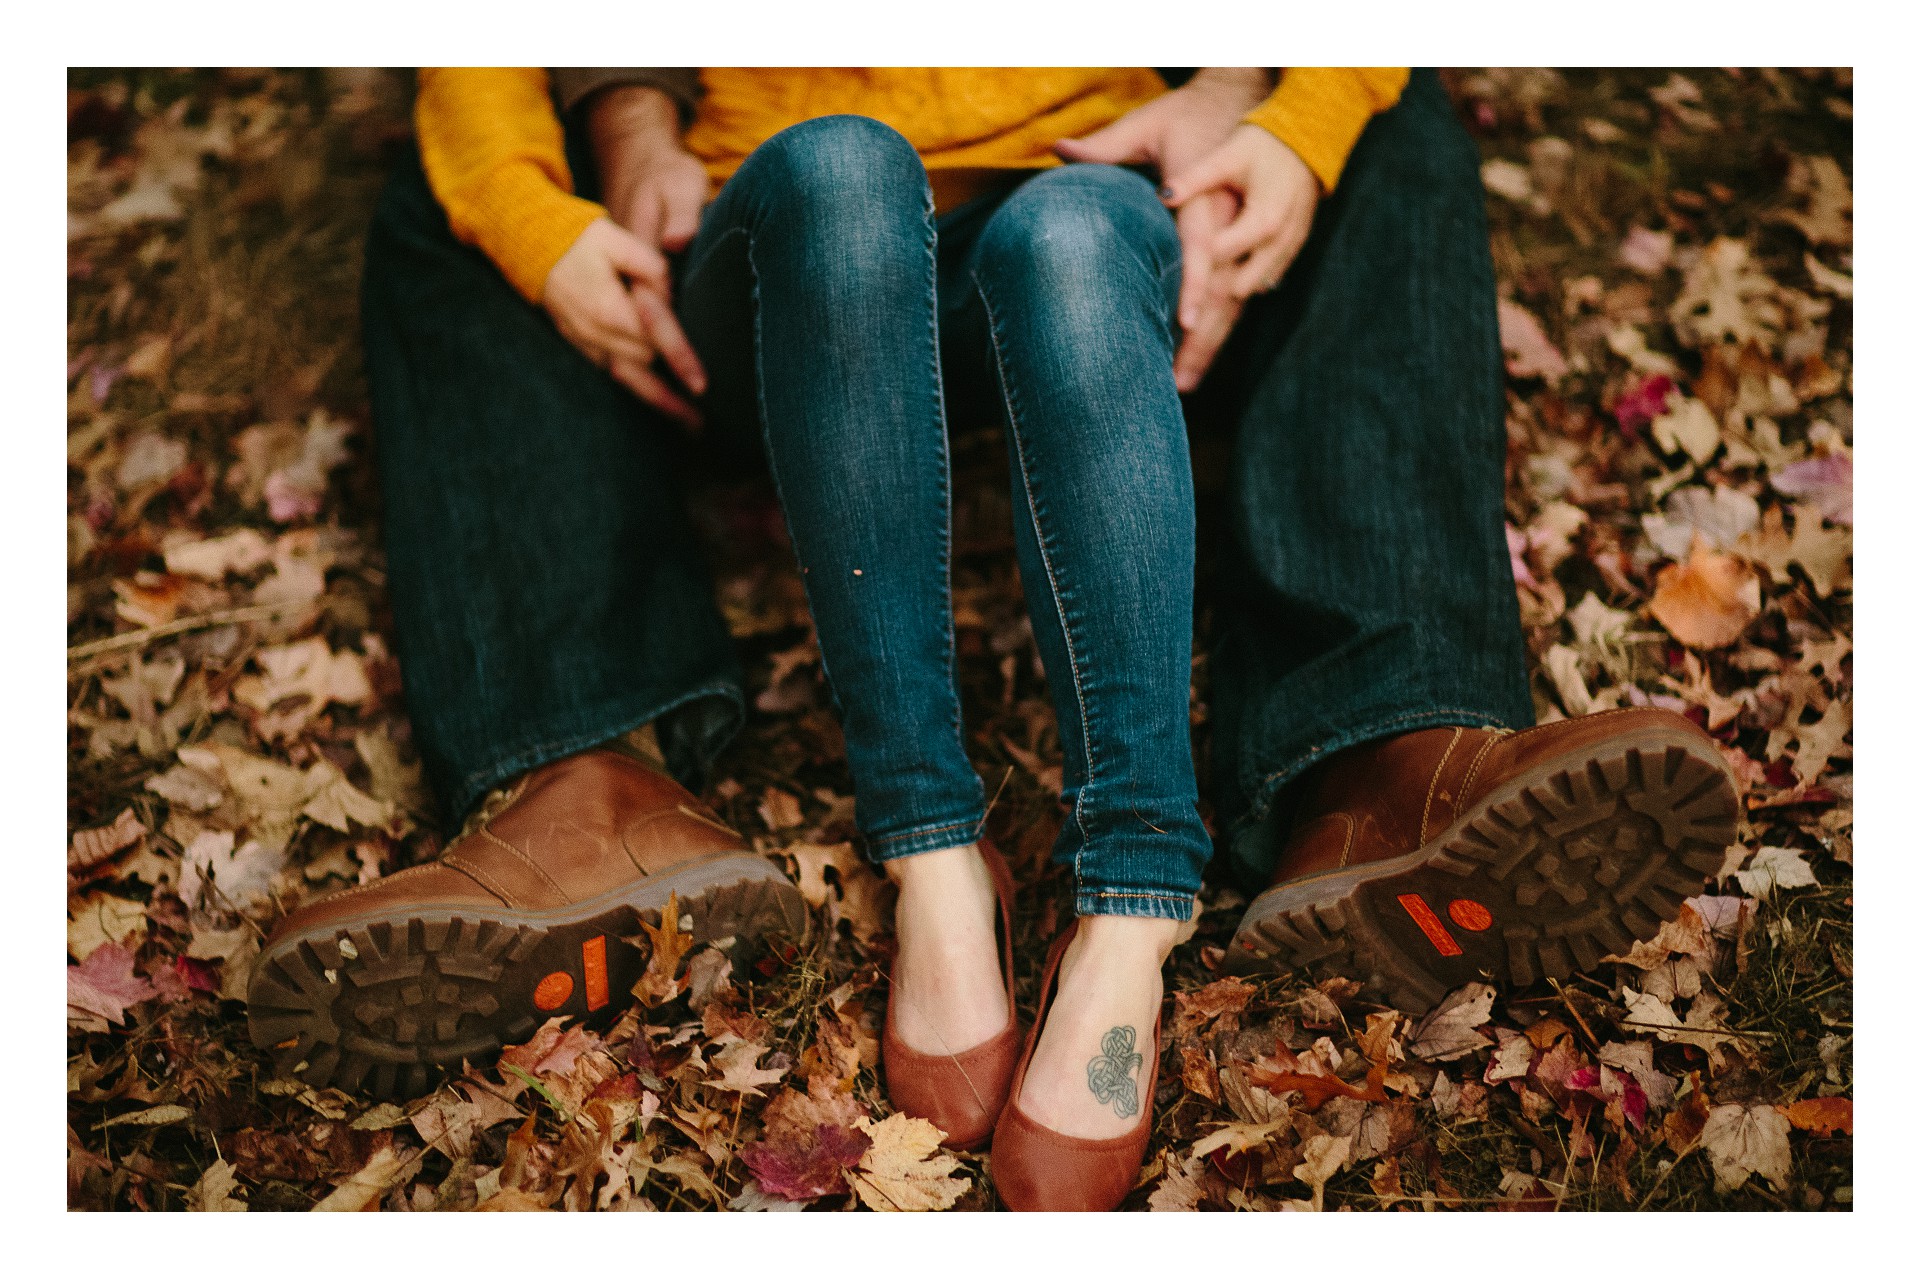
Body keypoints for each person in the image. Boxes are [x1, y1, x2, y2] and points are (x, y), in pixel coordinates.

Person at [248, 67, 1739, 1210]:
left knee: (1356, 133)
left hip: (1117, 214)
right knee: (490, 183)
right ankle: (611, 790)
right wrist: (571, 189)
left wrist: (1268, 116)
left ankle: (1376, 759)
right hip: (751, 257)